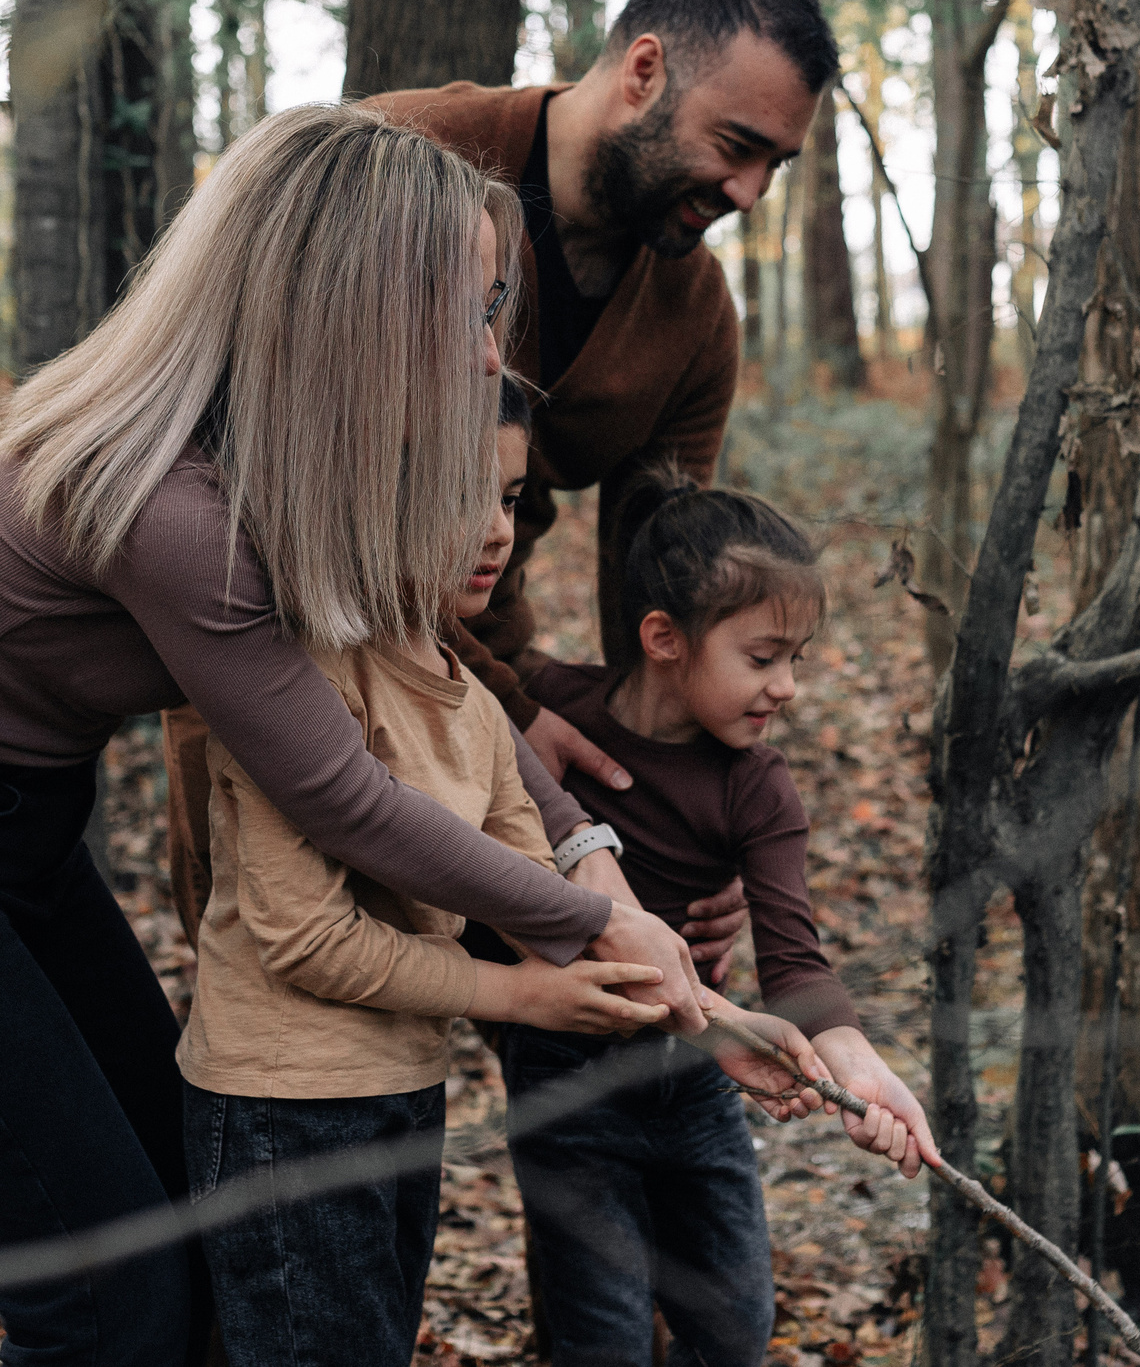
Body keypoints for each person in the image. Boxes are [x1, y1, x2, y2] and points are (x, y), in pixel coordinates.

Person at [0, 106, 708, 1367]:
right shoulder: (176, 502)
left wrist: (584, 853)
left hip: (17, 836)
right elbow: (343, 798)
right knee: (106, 1308)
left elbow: (434, 669)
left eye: (492, 314)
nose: (488, 358)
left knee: (194, 1249)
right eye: (465, 315)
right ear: (352, 304)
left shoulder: (286, 456)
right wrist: (586, 925)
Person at [167, 0, 839, 980]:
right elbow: (240, 466)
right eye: (736, 146)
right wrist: (515, 713)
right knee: (284, 978)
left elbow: (664, 592)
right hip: (292, 636)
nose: (748, 192)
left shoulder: (696, 318)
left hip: (485, 664)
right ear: (645, 71)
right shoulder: (398, 157)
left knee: (526, 987)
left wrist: (697, 806)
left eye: (774, 167)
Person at [181, 383, 824, 1367]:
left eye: (512, 497)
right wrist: (521, 995)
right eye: (459, 493)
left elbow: (549, 887)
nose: (495, 530)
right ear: (370, 490)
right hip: (286, 1105)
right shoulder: (293, 676)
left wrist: (717, 1024)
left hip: (403, 1084)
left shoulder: (469, 698)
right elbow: (308, 939)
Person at [497, 471, 939, 1367]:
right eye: (764, 656)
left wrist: (856, 1062)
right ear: (664, 637)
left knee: (736, 1323)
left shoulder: (758, 785)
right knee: (603, 1336)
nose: (788, 686)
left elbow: (794, 956)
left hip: (700, 1075)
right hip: (565, 1079)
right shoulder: (549, 712)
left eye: (797, 659)